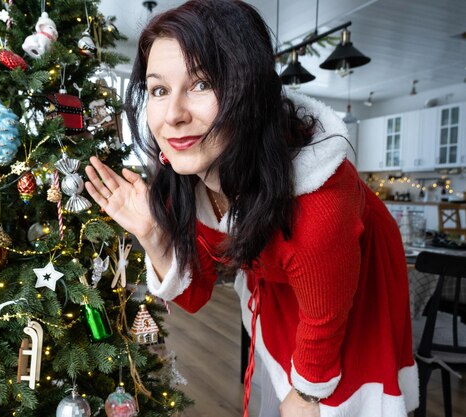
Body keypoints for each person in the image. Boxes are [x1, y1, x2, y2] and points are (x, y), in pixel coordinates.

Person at [84, 1, 418, 416]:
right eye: (158, 90)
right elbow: (195, 295)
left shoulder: (318, 203)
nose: (172, 115)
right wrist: (153, 236)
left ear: (249, 89)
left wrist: (309, 392)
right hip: (281, 291)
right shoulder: (187, 174)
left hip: (352, 287)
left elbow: (325, 319)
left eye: (202, 84)